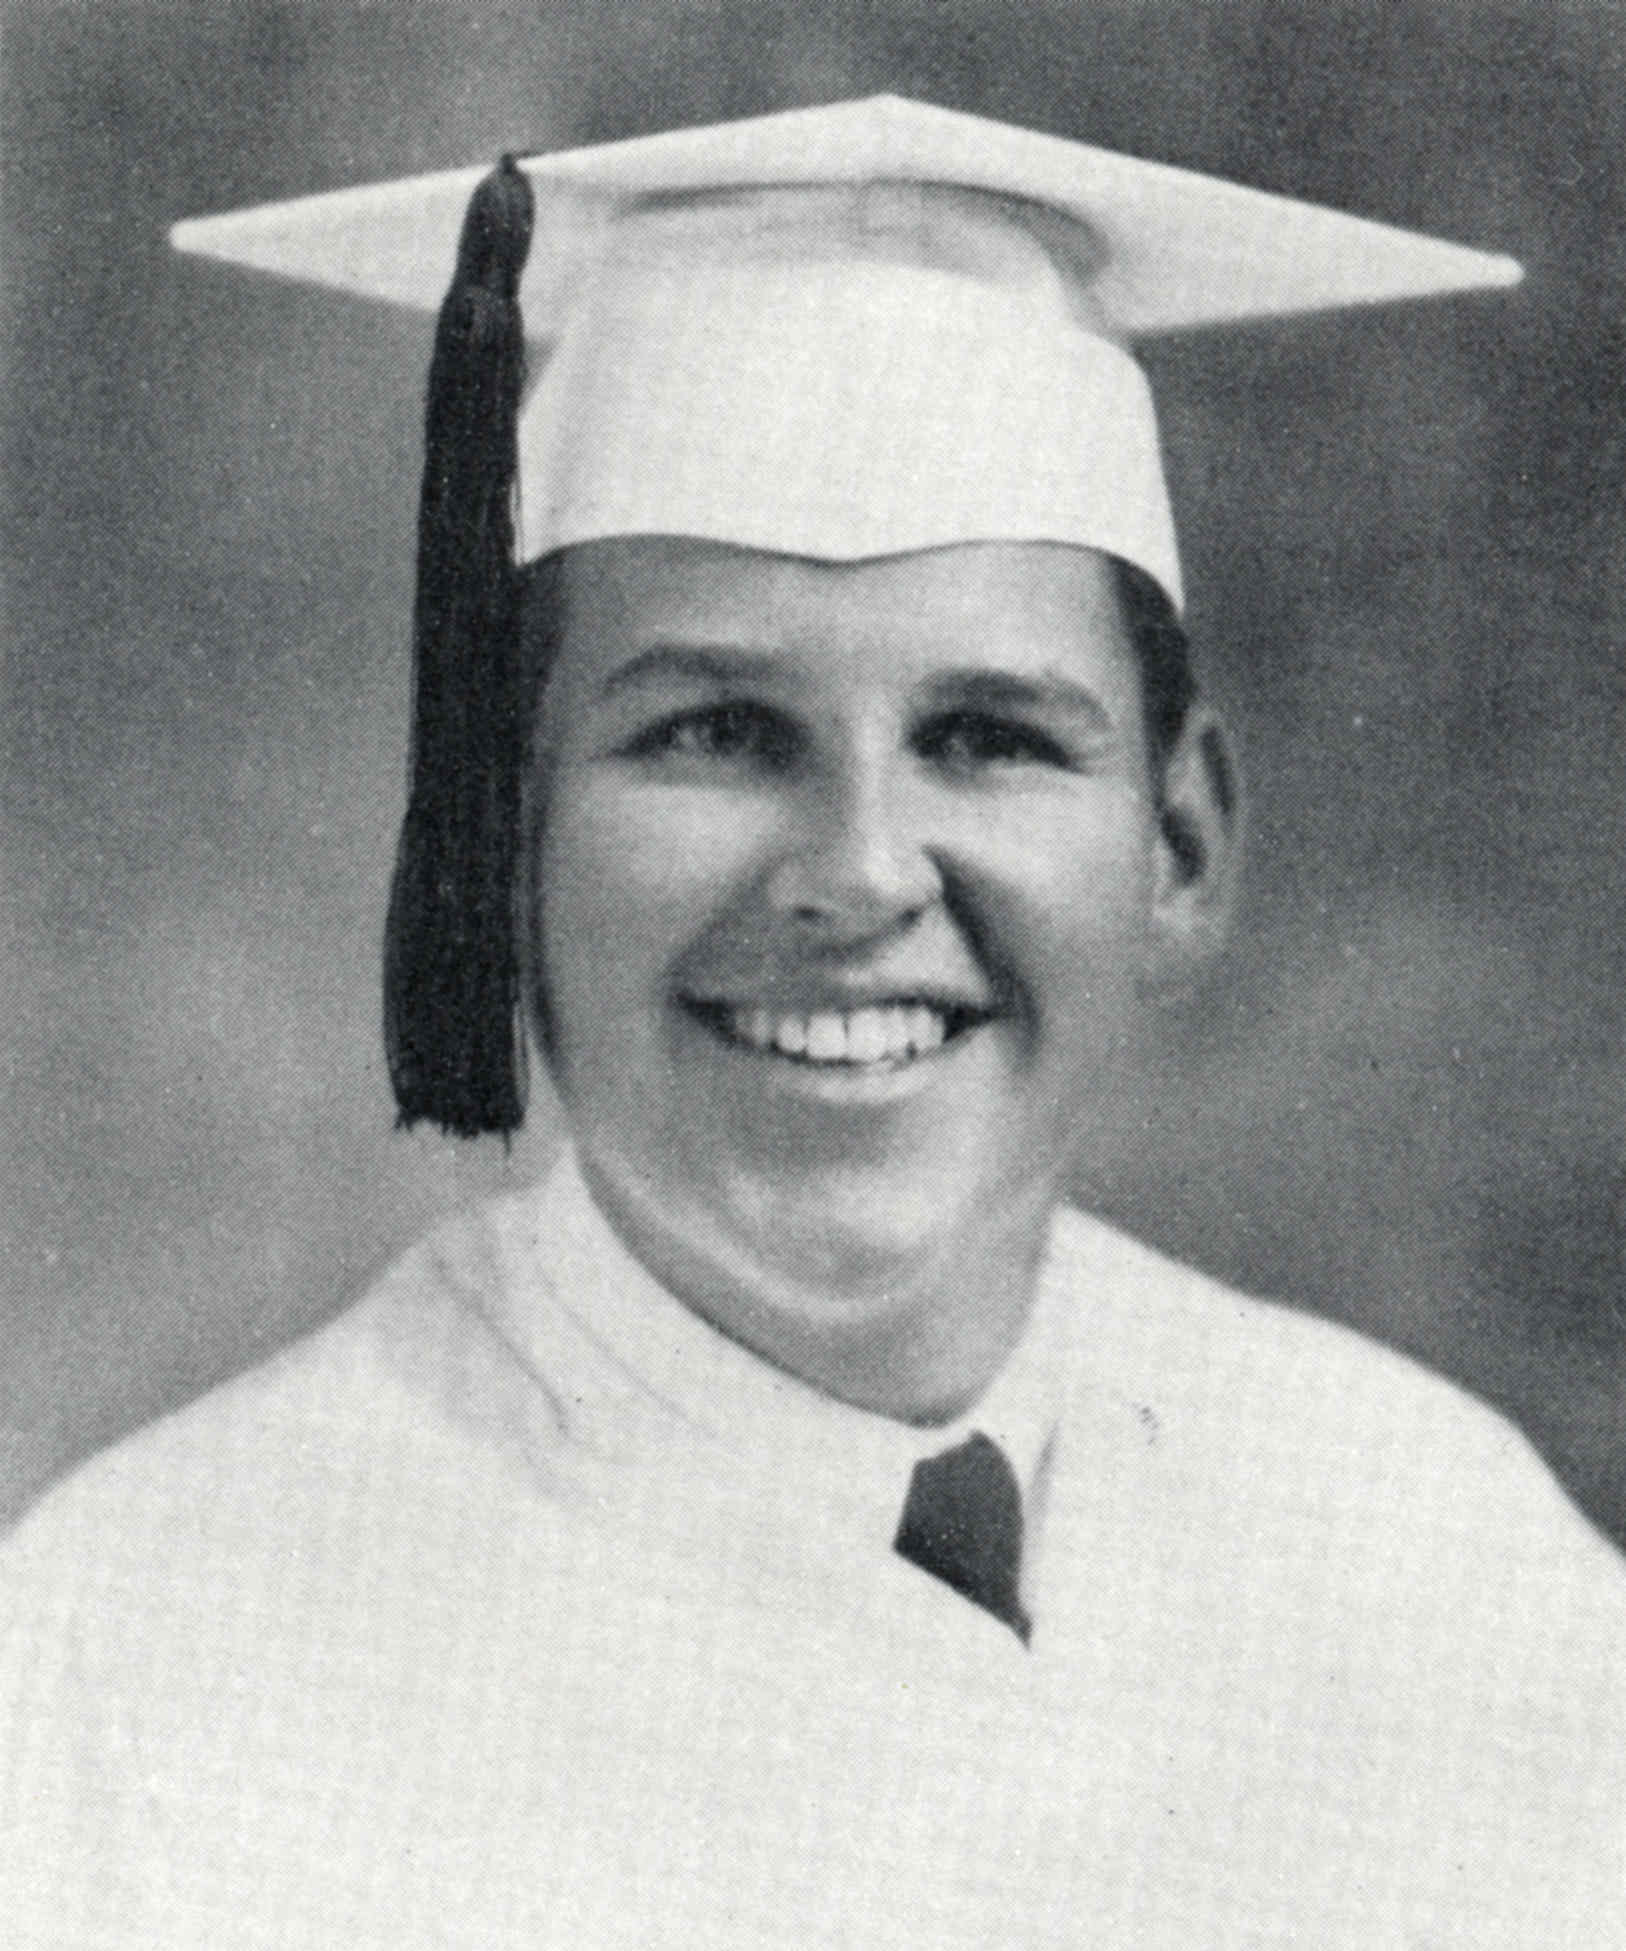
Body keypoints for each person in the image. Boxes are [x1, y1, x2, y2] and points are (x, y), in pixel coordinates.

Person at [3, 96, 1622, 1949]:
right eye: (710, 733)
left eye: (988, 739)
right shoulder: (150, 1654)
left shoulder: (1437, 1547)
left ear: (1174, 846)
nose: (857, 875)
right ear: (497, 830)